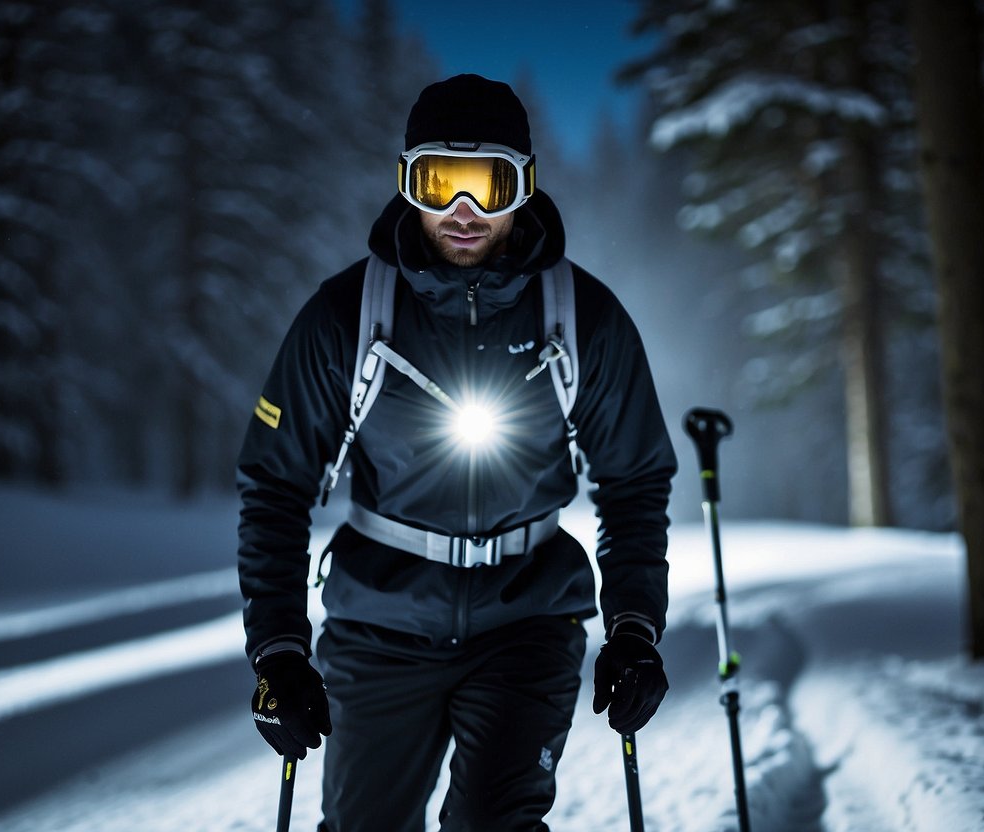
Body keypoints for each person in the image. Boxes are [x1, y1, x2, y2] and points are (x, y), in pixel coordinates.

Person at [238, 74, 677, 832]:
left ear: (523, 189)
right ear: (407, 184)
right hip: (379, 626)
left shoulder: (582, 318)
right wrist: (277, 651)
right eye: (438, 182)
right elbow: (275, 485)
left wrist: (633, 629)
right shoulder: (347, 317)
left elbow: (633, 482)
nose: (463, 212)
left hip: (527, 624)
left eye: (489, 185)